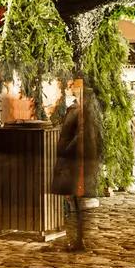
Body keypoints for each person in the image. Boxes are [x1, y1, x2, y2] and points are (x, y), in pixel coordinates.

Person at [49, 74, 95, 251]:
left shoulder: (79, 110)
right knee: (74, 200)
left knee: (75, 200)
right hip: (73, 159)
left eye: (73, 85)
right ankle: (77, 238)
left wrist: (66, 151)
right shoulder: (77, 108)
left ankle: (78, 240)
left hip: (74, 160)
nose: (70, 87)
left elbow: (80, 135)